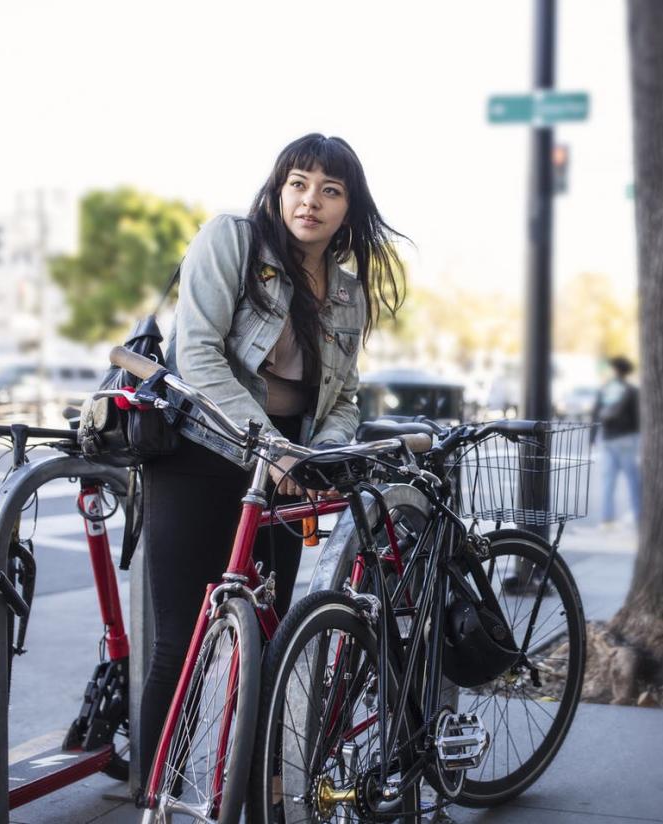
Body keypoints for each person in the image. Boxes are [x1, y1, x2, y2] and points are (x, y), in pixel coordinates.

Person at [139, 134, 407, 771]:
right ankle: (156, 796)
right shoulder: (232, 239)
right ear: (279, 187)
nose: (310, 200)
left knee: (268, 638)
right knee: (181, 643)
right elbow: (195, 355)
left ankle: (257, 793)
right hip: (200, 453)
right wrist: (272, 447)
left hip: (284, 478)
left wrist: (318, 458)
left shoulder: (347, 293)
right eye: (298, 183)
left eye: (330, 190)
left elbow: (342, 399)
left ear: (350, 208)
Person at [591, 355, 641, 526]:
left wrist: (592, 437)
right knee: (634, 481)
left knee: (608, 482)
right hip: (627, 439)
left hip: (607, 439)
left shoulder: (606, 389)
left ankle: (607, 520)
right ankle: (639, 516)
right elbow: (638, 418)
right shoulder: (632, 391)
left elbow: (595, 413)